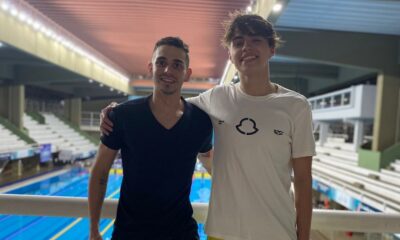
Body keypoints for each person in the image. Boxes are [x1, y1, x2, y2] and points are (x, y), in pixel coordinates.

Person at [101, 12, 315, 240]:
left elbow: (303, 180)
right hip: (222, 231)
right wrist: (116, 110)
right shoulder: (216, 98)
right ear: (230, 55)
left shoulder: (296, 106)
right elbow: (166, 105)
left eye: (256, 41)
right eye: (238, 42)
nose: (246, 48)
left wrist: (303, 236)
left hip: (277, 232)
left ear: (271, 49)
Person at [89, 36, 213, 240]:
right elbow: (100, 171)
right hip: (130, 233)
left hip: (181, 233)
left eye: (177, 65)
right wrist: (94, 229)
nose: (167, 71)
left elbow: (210, 159)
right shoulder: (122, 116)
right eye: (161, 63)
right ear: (151, 67)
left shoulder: (200, 122)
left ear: (187, 73)